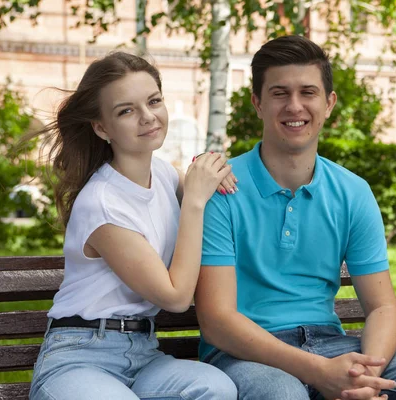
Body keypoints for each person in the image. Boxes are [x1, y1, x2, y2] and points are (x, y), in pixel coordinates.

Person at [194, 35, 396, 400]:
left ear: (328, 103)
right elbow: (218, 322)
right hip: (247, 354)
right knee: (283, 395)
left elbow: (382, 306)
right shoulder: (223, 189)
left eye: (308, 93)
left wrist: (365, 374)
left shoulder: (352, 192)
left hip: (332, 344)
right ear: (258, 103)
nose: (294, 106)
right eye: (279, 93)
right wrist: (319, 373)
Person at [28, 52, 238, 400]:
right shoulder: (102, 202)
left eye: (154, 101)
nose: (148, 117)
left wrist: (211, 171)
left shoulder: (166, 176)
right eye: (126, 110)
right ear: (101, 127)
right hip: (80, 358)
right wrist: (195, 202)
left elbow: (211, 190)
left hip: (143, 355)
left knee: (216, 388)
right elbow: (175, 296)